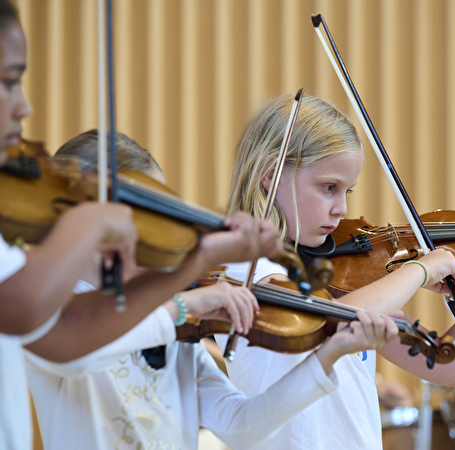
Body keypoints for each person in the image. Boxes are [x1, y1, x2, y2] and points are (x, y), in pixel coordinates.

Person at [0, 3, 281, 448]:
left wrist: (326, 359)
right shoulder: (60, 292)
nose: (25, 105)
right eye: (8, 81)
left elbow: (240, 422)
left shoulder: (163, 311)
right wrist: (183, 301)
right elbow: (63, 343)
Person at [215, 94, 455, 450]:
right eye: (328, 188)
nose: (342, 209)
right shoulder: (249, 270)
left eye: (347, 190)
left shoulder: (333, 277)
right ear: (271, 176)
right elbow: (334, 319)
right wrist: (418, 269)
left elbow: (450, 367)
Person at [24, 129, 401, 450]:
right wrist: (183, 305)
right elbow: (78, 353)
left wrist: (330, 352)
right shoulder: (47, 305)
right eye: (146, 213)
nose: (162, 230)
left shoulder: (171, 315)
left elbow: (241, 425)